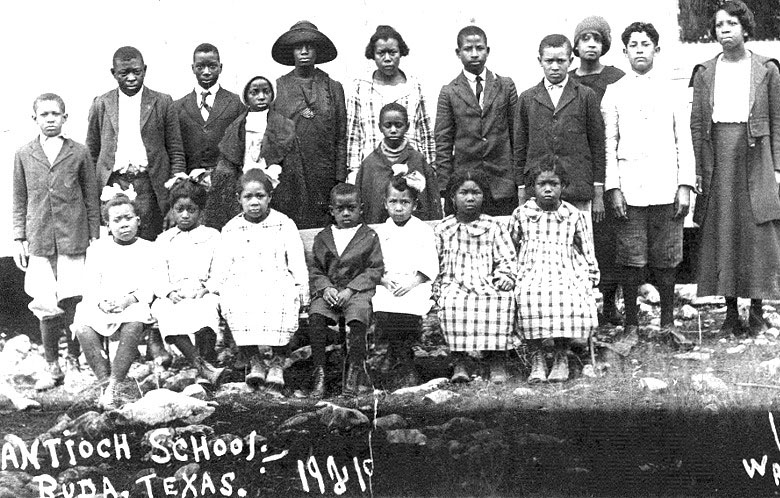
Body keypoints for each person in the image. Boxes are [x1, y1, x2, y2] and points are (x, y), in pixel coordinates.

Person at [602, 22, 695, 349]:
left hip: (667, 186)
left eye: (646, 44)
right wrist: (613, 187)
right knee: (630, 259)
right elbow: (609, 142)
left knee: (667, 257)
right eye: (633, 44)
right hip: (630, 189)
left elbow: (684, 140)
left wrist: (684, 185)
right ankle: (631, 327)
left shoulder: (672, 90)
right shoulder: (615, 92)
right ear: (624, 51)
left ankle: (667, 325)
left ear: (657, 49)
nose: (640, 49)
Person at [690, 0, 780, 336]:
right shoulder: (704, 71)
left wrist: (777, 168)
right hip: (719, 154)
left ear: (745, 28)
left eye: (731, 24)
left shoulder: (767, 69)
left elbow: (777, 119)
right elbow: (698, 124)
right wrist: (699, 167)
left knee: (757, 230)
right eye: (719, 25)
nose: (725, 31)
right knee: (723, 228)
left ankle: (757, 310)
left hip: (756, 152)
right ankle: (730, 312)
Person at [12, 93, 100, 391]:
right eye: (44, 114)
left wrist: (94, 237)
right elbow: (19, 198)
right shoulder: (24, 153)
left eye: (56, 114)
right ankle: (53, 365)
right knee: (46, 303)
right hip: (39, 239)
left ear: (65, 117)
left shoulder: (79, 152)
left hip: (73, 238)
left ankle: (74, 361)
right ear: (34, 118)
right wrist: (19, 237)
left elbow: (91, 197)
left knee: (73, 299)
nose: (50, 119)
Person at [209, 169, 309, 396]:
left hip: (276, 278)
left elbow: (296, 262)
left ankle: (277, 361)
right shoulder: (231, 228)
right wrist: (216, 289)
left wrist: (303, 291)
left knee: (282, 297)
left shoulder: (284, 224)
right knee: (236, 298)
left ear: (270, 197)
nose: (254, 202)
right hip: (243, 280)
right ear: (239, 199)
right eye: (248, 197)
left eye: (260, 196)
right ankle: (254, 359)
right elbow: (221, 265)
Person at [510, 161, 598, 383]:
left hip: (564, 266)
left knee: (565, 294)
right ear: (533, 187)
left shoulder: (572, 215)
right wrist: (510, 273)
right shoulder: (522, 213)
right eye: (542, 184)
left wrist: (590, 273)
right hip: (531, 266)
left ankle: (561, 355)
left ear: (563, 186)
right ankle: (537, 356)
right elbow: (511, 246)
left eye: (554, 184)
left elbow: (586, 247)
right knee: (527, 294)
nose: (548, 189)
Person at [86, 46, 185, 241]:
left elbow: (176, 153)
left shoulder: (162, 102)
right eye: (124, 73)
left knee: (150, 241)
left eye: (136, 72)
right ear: (113, 73)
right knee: (116, 243)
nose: (131, 78)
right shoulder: (102, 104)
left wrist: (174, 200)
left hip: (150, 186)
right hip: (113, 185)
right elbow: (92, 153)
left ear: (145, 70)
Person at [73, 193, 156, 410]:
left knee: (136, 320)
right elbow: (90, 284)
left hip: (132, 302)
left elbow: (151, 285)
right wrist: (101, 302)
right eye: (116, 221)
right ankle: (104, 384)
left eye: (128, 218)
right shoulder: (98, 249)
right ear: (108, 225)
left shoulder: (149, 248)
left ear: (137, 219)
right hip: (103, 302)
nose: (124, 224)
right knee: (82, 321)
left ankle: (115, 383)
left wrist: (127, 300)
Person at [569, 16, 626, 325]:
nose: (591, 44)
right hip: (577, 168)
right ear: (575, 46)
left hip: (609, 164)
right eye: (584, 38)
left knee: (607, 239)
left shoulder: (617, 78)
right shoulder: (566, 81)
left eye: (596, 38)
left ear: (605, 44)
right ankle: (579, 303)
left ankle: (610, 303)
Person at [434, 169, 516, 384]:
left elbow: (506, 258)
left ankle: (496, 359)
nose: (470, 198)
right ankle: (460, 361)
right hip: (454, 281)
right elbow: (436, 263)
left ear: (484, 196)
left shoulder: (494, 226)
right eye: (463, 193)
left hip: (487, 280)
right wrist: (437, 286)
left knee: (501, 299)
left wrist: (505, 276)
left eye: (476, 193)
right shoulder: (444, 228)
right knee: (451, 302)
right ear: (452, 197)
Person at [514, 34, 606, 224]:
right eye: (549, 61)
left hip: (577, 188)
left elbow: (597, 144)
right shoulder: (527, 98)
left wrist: (597, 192)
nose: (555, 67)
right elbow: (520, 147)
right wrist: (522, 188)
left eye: (561, 61)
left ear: (571, 60)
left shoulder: (586, 96)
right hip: (539, 191)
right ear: (540, 61)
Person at [308, 183, 384, 397]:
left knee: (358, 318)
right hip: (330, 292)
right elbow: (315, 268)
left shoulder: (369, 236)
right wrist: (325, 288)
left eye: (351, 208)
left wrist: (351, 290)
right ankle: (319, 373)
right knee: (316, 316)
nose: (346, 213)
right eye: (340, 209)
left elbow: (374, 268)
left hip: (356, 292)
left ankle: (354, 371)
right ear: (331, 211)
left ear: (361, 208)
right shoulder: (323, 237)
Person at [435, 25, 519, 216]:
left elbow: (517, 135)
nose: (474, 54)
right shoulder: (449, 92)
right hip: (467, 185)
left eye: (479, 48)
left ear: (487, 51)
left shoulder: (506, 86)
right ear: (458, 53)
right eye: (468, 49)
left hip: (503, 183)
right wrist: (445, 187)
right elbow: (443, 142)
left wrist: (518, 179)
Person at [205, 76, 306, 230]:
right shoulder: (237, 126)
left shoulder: (284, 125)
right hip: (244, 182)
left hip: (275, 186)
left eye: (266, 92)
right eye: (254, 92)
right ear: (246, 96)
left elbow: (293, 166)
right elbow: (229, 159)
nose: (261, 96)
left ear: (272, 94)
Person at [272, 21, 347, 228]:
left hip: (325, 172)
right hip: (291, 174)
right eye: (298, 47)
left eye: (310, 46)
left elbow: (341, 135)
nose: (304, 52)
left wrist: (340, 177)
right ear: (291, 52)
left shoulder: (333, 87)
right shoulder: (279, 87)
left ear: (317, 51)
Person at [151, 177, 225, 384]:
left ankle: (207, 358)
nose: (184, 215)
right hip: (174, 293)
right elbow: (157, 274)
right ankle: (201, 366)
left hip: (201, 291)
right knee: (164, 310)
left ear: (200, 210)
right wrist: (168, 292)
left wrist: (206, 289)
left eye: (191, 209)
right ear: (172, 210)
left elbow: (219, 271)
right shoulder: (164, 239)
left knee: (207, 307)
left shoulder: (212, 236)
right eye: (179, 209)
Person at [346, 25, 435, 184]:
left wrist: (430, 169)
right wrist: (354, 173)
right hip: (372, 172)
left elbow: (426, 134)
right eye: (381, 53)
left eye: (392, 52)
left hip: (410, 171)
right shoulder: (360, 87)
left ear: (401, 53)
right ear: (373, 55)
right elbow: (353, 135)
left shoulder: (414, 87)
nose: (387, 58)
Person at [373, 175, 439, 386]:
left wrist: (412, 283)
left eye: (405, 202)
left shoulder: (423, 230)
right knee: (382, 303)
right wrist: (383, 280)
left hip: (415, 282)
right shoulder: (381, 232)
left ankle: (405, 358)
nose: (399, 208)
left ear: (415, 204)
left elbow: (429, 263)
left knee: (409, 306)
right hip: (388, 282)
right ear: (385, 204)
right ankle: (396, 354)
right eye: (393, 202)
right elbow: (374, 262)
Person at [355, 102, 442, 224]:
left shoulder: (418, 161)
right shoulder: (370, 164)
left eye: (398, 125)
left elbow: (432, 202)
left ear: (407, 126)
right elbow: (361, 205)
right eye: (388, 125)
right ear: (380, 127)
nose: (393, 130)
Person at [175, 43, 245, 175]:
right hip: (191, 180)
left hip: (226, 178)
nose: (206, 72)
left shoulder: (235, 103)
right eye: (200, 67)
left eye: (212, 66)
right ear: (193, 68)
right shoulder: (178, 107)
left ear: (220, 67)